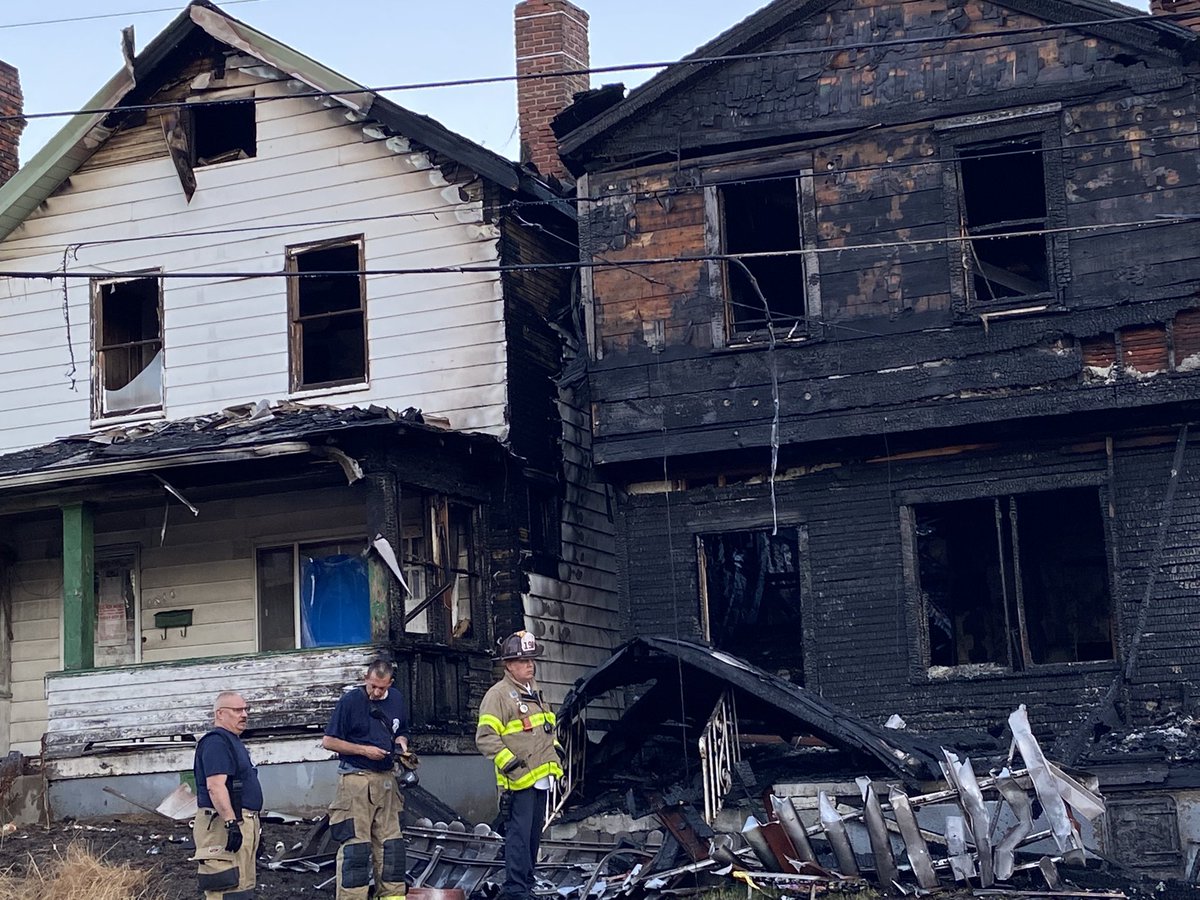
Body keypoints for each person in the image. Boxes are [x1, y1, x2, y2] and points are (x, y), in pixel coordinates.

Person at [476, 631, 564, 900]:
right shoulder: (498, 695)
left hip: (542, 777)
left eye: (531, 659)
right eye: (523, 660)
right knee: (519, 837)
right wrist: (511, 765)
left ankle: (526, 882)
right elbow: (485, 738)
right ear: (508, 664)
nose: (530, 665)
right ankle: (515, 889)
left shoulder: (534, 691)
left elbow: (546, 730)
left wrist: (557, 757)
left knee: (533, 836)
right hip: (519, 780)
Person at [323, 659, 409, 900]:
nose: (376, 692)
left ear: (390, 683)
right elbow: (329, 741)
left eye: (382, 687)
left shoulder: (397, 699)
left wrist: (401, 745)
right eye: (372, 686)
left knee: (392, 848)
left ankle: (392, 897)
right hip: (355, 779)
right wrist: (364, 750)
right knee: (356, 850)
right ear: (365, 679)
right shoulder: (351, 701)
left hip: (387, 780)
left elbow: (402, 730)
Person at [192, 691, 263, 900]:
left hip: (244, 821)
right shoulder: (216, 742)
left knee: (243, 888)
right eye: (237, 710)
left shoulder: (233, 741)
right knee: (227, 887)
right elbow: (215, 786)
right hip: (222, 825)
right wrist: (231, 824)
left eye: (245, 709)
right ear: (220, 714)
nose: (244, 714)